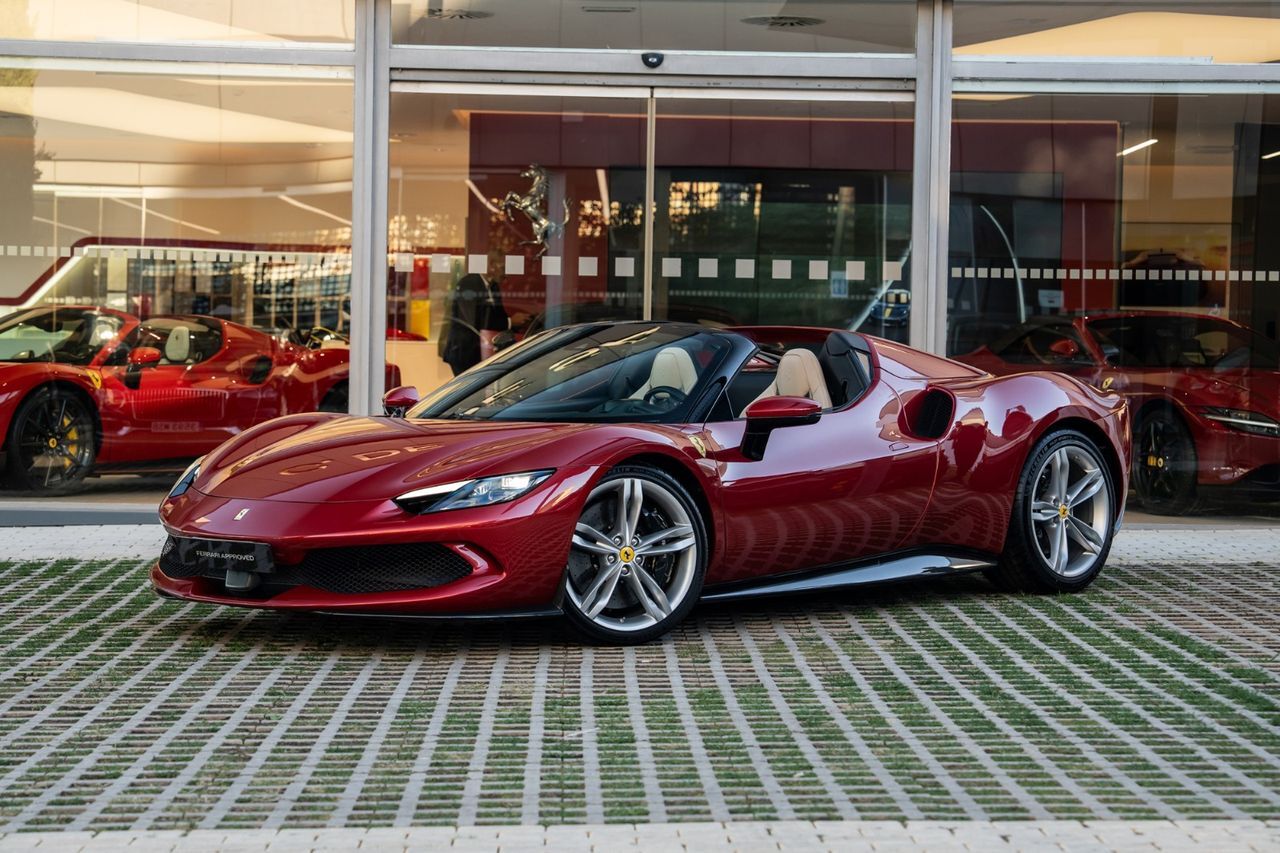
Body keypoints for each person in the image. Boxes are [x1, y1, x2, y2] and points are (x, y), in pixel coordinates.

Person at [440, 251, 509, 376]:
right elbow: (472, 320)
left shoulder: (493, 287)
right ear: (491, 265)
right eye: (503, 268)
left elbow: (496, 314)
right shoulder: (470, 283)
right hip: (464, 351)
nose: (506, 273)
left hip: (480, 351)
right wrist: (510, 321)